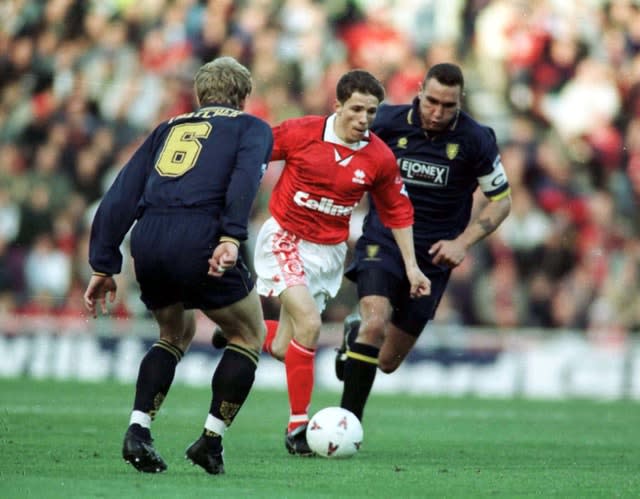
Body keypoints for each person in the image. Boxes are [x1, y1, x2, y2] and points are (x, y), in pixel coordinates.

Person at [212, 69, 430, 455]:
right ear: (338, 105)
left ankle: (246, 330)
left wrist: (413, 267)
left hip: (327, 252)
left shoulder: (378, 156)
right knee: (310, 325)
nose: (364, 119)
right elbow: (252, 152)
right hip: (284, 237)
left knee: (286, 347)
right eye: (357, 109)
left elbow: (398, 212)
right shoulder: (301, 132)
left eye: (372, 112)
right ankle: (298, 427)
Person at [83, 56, 273, 475]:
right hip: (202, 233)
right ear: (243, 96)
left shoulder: (167, 128)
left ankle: (139, 428)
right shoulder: (251, 127)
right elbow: (245, 180)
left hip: (149, 238)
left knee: (174, 332)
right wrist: (230, 235)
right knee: (248, 334)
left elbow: (121, 192)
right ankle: (210, 441)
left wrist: (103, 264)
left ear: (200, 95)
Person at [335, 62, 512, 422]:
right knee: (375, 323)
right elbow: (337, 143)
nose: (437, 112)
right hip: (383, 240)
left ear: (459, 102)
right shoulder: (385, 122)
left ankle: (353, 338)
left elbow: (503, 200)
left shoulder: (476, 139)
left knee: (386, 361)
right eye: (431, 101)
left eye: (448, 106)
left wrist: (463, 243)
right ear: (419, 90)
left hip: (435, 256)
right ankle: (346, 424)